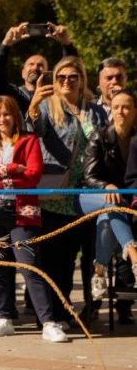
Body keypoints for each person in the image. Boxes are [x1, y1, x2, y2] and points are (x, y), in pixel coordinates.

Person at [0, 96, 68, 342]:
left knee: (30, 267)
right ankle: (3, 318)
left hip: (22, 212)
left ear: (15, 116)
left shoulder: (29, 140)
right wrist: (14, 169)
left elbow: (34, 174)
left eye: (6, 114)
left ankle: (47, 322)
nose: (2, 119)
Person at [28, 56, 108, 324]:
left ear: (82, 79)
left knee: (80, 254)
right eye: (60, 77)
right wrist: (34, 106)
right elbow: (33, 132)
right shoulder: (49, 108)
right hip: (56, 190)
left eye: (72, 77)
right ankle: (53, 314)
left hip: (86, 189)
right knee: (54, 256)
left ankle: (79, 308)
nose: (66, 81)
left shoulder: (95, 111)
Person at [81, 89, 137, 298]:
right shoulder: (100, 136)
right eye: (116, 107)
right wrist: (106, 186)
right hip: (89, 196)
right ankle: (135, 258)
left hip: (121, 202)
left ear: (135, 111)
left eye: (126, 107)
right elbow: (88, 176)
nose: (120, 111)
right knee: (111, 203)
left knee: (107, 216)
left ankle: (99, 271)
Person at [0, 22, 77, 114]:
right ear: (22, 73)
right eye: (31, 64)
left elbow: (72, 71)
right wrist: (6, 44)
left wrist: (66, 44)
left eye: (40, 65)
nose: (35, 67)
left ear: (48, 72)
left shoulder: (56, 96)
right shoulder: (15, 96)